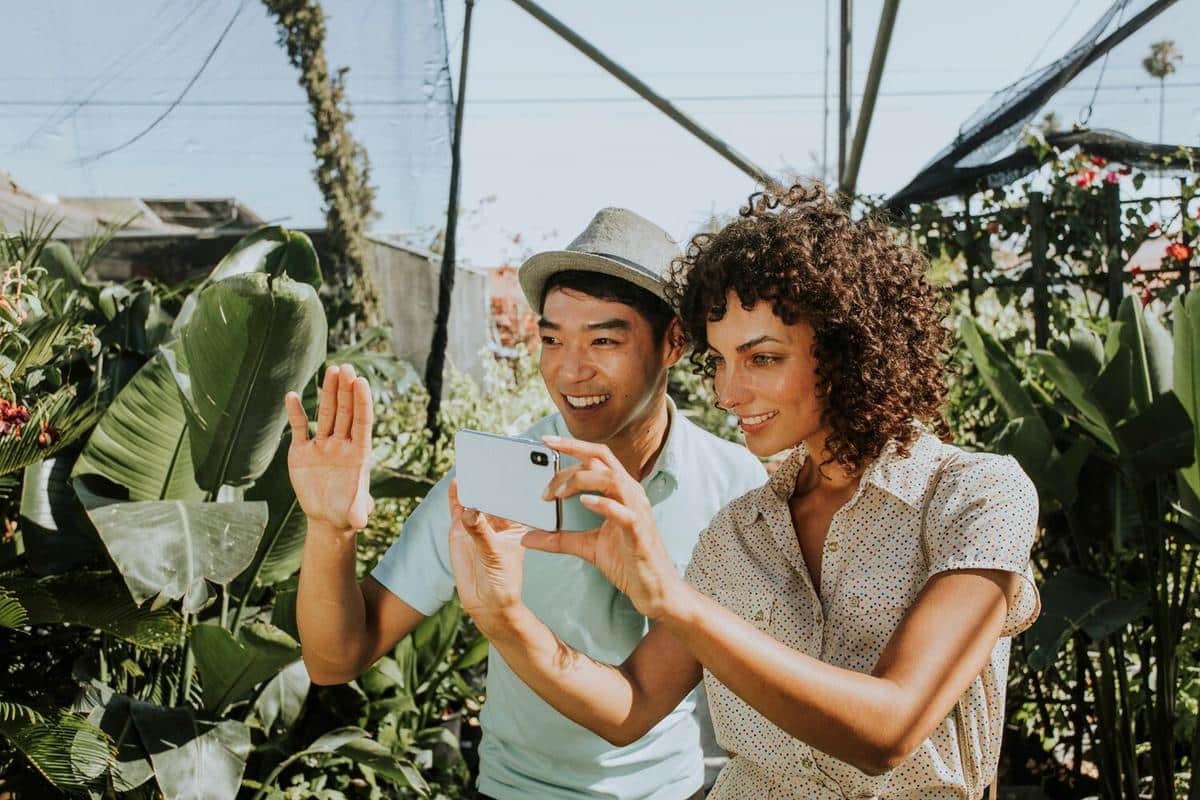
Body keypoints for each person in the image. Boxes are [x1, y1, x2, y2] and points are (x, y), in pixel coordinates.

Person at [448, 185, 1041, 800]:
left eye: (761, 359)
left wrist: (673, 599)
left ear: (847, 350)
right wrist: (501, 615)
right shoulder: (740, 529)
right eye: (720, 361)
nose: (727, 393)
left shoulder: (974, 496)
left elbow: (889, 731)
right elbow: (632, 705)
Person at [285, 207, 767, 800]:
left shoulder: (734, 484)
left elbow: (636, 707)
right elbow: (334, 659)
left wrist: (503, 616)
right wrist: (329, 529)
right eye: (552, 339)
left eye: (604, 340)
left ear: (673, 342)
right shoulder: (495, 479)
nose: (570, 370)